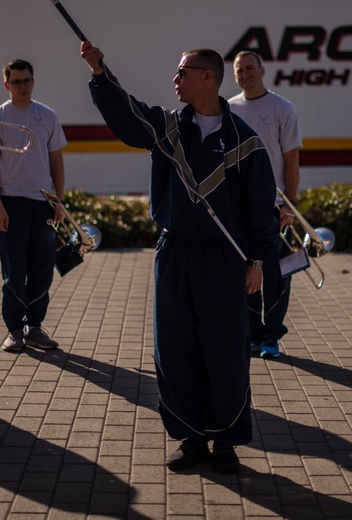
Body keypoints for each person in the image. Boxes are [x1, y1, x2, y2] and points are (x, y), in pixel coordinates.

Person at [80, 41, 278, 475]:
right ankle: (191, 437)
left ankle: (225, 441)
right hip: (176, 253)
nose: (175, 78)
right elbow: (127, 114)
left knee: (225, 351)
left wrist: (258, 262)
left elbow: (261, 208)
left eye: (183, 71)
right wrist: (100, 73)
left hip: (226, 258)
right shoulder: (166, 127)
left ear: (207, 77)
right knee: (175, 348)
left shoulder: (245, 142)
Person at [0, 59, 66, 353]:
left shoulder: (47, 116)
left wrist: (59, 202)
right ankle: (14, 330)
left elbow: (57, 160)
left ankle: (35, 328)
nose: (22, 87)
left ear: (33, 81)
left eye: (27, 80)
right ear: (6, 85)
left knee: (42, 270)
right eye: (16, 82)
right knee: (14, 273)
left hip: (42, 204)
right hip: (11, 204)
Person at [227, 50, 302, 360]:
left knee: (276, 276)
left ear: (262, 70)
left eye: (249, 68)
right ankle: (252, 335)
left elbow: (291, 160)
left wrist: (290, 206)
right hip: (237, 208)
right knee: (243, 274)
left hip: (273, 207)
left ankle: (272, 336)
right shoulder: (228, 108)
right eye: (239, 70)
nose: (245, 74)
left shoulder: (282, 108)